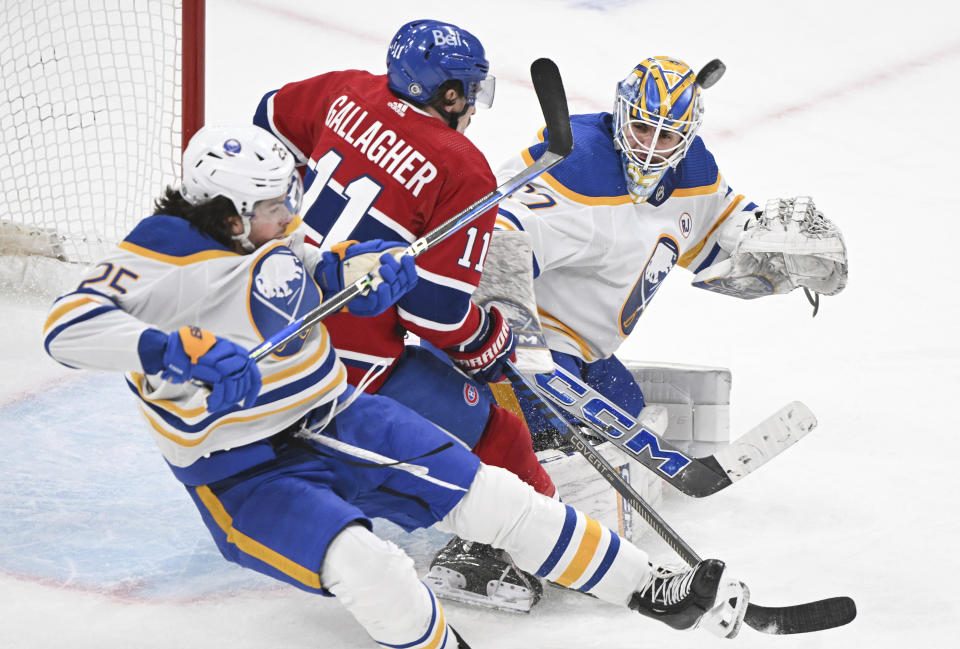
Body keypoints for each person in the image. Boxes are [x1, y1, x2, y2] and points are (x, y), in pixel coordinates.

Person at [41, 123, 749, 646]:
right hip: (243, 474)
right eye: (273, 207)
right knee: (367, 565)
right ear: (228, 213)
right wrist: (172, 348)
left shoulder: (262, 233)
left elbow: (309, 271)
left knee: (493, 495)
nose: (290, 215)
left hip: (336, 414)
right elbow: (65, 326)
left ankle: (653, 590)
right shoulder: (155, 254)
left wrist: (361, 270)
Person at [252, 19, 557, 610]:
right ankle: (546, 547)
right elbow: (437, 316)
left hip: (256, 319)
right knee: (498, 430)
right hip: (345, 362)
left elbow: (267, 120)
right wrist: (486, 342)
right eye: (468, 90)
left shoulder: (345, 90)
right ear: (448, 93)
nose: (471, 105)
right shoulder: (461, 165)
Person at [492, 56, 848, 442]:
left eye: (666, 136)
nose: (649, 149)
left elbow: (722, 227)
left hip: (585, 350)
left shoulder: (692, 175)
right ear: (622, 113)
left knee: (625, 409)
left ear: (687, 135)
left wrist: (774, 246)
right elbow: (493, 238)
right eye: (642, 127)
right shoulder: (575, 165)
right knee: (543, 434)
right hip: (519, 341)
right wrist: (517, 346)